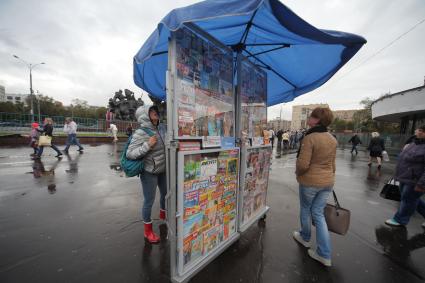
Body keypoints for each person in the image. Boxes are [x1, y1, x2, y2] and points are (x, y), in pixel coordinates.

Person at [293, 107, 337, 267]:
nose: (309, 118)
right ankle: (324, 254)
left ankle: (305, 238)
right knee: (318, 214)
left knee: (306, 209)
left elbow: (303, 164)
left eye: (312, 116)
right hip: (327, 182)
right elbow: (333, 164)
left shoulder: (310, 138)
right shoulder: (332, 139)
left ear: (317, 120)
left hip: (310, 181)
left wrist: (298, 172)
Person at [126, 105, 166, 244]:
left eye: (156, 112)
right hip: (149, 172)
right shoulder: (140, 133)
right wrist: (147, 145)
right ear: (144, 115)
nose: (156, 114)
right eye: (152, 112)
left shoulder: (161, 128)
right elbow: (130, 153)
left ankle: (164, 216)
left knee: (166, 195)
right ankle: (147, 231)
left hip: (163, 170)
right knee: (149, 201)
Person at [385, 125, 425, 229]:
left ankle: (400, 219)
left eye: (422, 131)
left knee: (408, 200)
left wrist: (422, 184)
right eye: (419, 130)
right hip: (405, 177)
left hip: (415, 180)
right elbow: (403, 159)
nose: (418, 132)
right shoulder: (414, 143)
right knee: (411, 199)